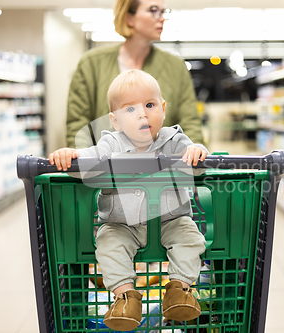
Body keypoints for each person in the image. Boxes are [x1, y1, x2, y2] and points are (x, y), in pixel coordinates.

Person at [50, 70, 207, 331]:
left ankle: (179, 290)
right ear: (115, 120)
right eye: (130, 109)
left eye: (149, 105)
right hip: (121, 224)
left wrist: (197, 151)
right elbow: (88, 163)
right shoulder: (110, 144)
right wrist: (71, 156)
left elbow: (199, 168)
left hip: (172, 218)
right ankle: (125, 298)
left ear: (163, 108)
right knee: (107, 242)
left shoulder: (175, 140)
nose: (143, 114)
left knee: (191, 238)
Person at [66, 0, 204, 149]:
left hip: (164, 168)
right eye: (153, 10)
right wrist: (86, 165)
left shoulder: (175, 66)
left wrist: (193, 157)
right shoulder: (91, 64)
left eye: (163, 11)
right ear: (129, 18)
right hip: (104, 168)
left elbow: (190, 123)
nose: (162, 17)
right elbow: (78, 125)